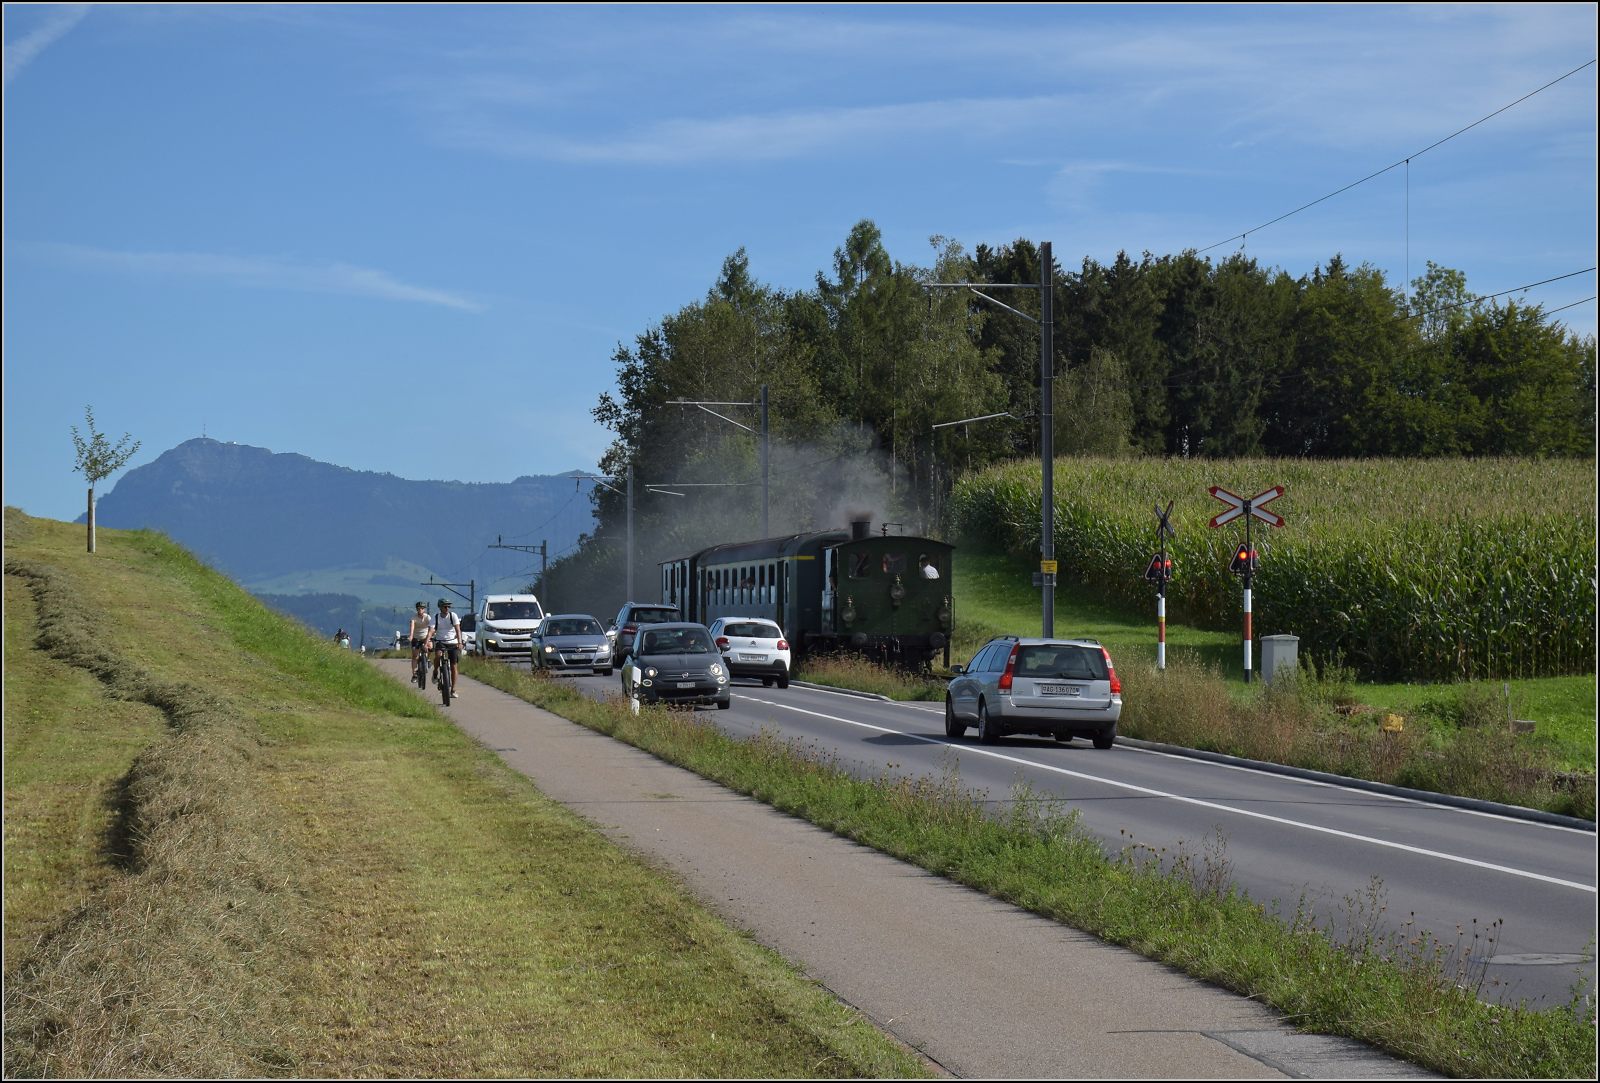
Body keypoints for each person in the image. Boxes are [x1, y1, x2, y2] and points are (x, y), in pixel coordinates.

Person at [432, 597, 464, 696]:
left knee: (454, 665)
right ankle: (435, 671)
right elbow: (431, 630)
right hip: (440, 641)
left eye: (449, 607)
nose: (447, 609)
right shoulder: (436, 617)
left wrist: (460, 642)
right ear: (440, 607)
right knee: (438, 655)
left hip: (452, 642)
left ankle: (453, 690)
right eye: (445, 607)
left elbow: (458, 629)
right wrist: (426, 641)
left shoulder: (453, 616)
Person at [408, 602, 433, 679]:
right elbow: (412, 626)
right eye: (419, 608)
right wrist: (411, 636)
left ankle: (428, 660)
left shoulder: (427, 617)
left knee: (430, 647)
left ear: (424, 609)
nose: (420, 610)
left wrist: (432, 634)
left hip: (425, 637)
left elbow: (431, 626)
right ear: (417, 609)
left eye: (422, 608)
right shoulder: (414, 617)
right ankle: (414, 674)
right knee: (415, 656)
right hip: (416, 637)